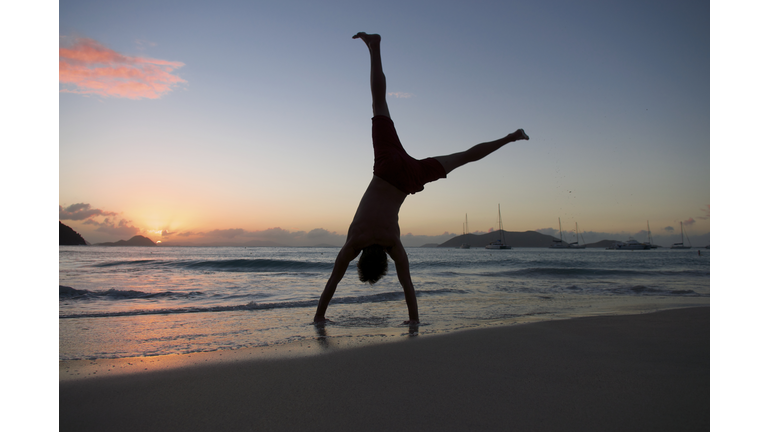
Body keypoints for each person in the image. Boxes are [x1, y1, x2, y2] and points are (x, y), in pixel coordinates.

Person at [313, 33, 529, 325]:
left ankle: (511, 137)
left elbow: (407, 285)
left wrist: (414, 321)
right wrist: (318, 316)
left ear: (383, 261)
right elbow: (332, 283)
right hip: (387, 168)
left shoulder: (393, 245)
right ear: (361, 259)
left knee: (463, 157)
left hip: (408, 180)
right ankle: (374, 47)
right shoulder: (354, 241)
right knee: (379, 103)